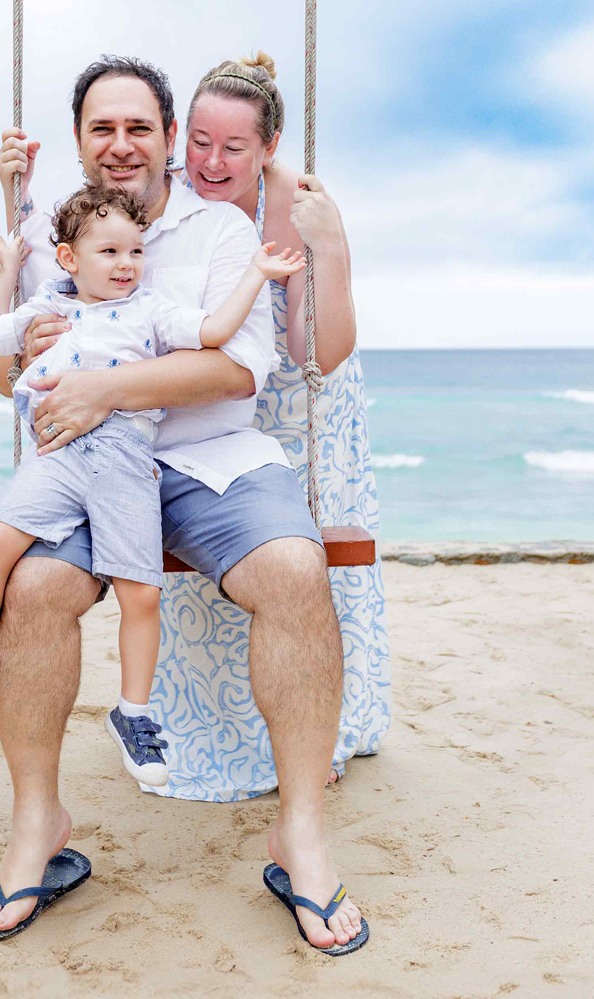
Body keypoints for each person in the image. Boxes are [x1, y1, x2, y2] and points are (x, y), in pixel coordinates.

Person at [0, 56, 368, 955]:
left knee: (298, 570)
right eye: (101, 128)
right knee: (30, 592)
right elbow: (4, 374)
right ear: (78, 141)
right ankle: (40, 824)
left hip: (210, 457)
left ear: (169, 139)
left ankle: (297, 831)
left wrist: (107, 388)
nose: (120, 145)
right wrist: (28, 345)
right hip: (90, 464)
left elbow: (237, 367)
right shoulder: (55, 237)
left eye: (138, 127)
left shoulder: (220, 229)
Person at [0, 183, 305, 796]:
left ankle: (134, 710)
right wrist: (9, 269)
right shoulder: (48, 307)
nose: (127, 265)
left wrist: (257, 273)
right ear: (69, 259)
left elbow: (215, 332)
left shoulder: (151, 309)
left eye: (136, 251)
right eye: (110, 252)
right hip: (59, 451)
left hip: (124, 455)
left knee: (139, 594)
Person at [173, 52, 392, 789]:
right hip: (220, 394)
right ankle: (209, 724)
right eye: (198, 141)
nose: (210, 161)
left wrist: (327, 245)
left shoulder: (298, 203)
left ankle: (316, 730)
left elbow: (319, 350)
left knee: (303, 562)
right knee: (216, 573)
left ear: (266, 147)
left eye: (233, 147)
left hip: (305, 402)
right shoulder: (176, 201)